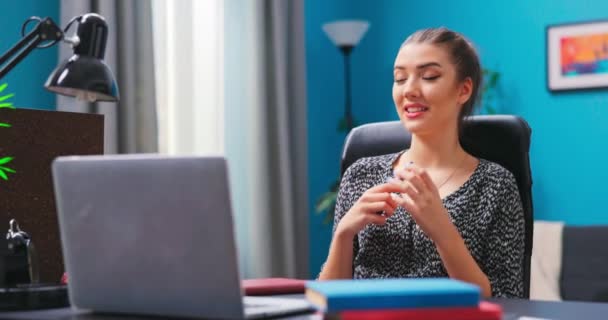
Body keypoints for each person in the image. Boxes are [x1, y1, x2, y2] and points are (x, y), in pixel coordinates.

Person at [317, 27, 525, 298]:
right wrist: (344, 233)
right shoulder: (361, 174)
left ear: (463, 90)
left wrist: (442, 231)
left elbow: (506, 300)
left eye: (429, 76)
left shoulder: (495, 185)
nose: (410, 90)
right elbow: (327, 300)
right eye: (400, 79)